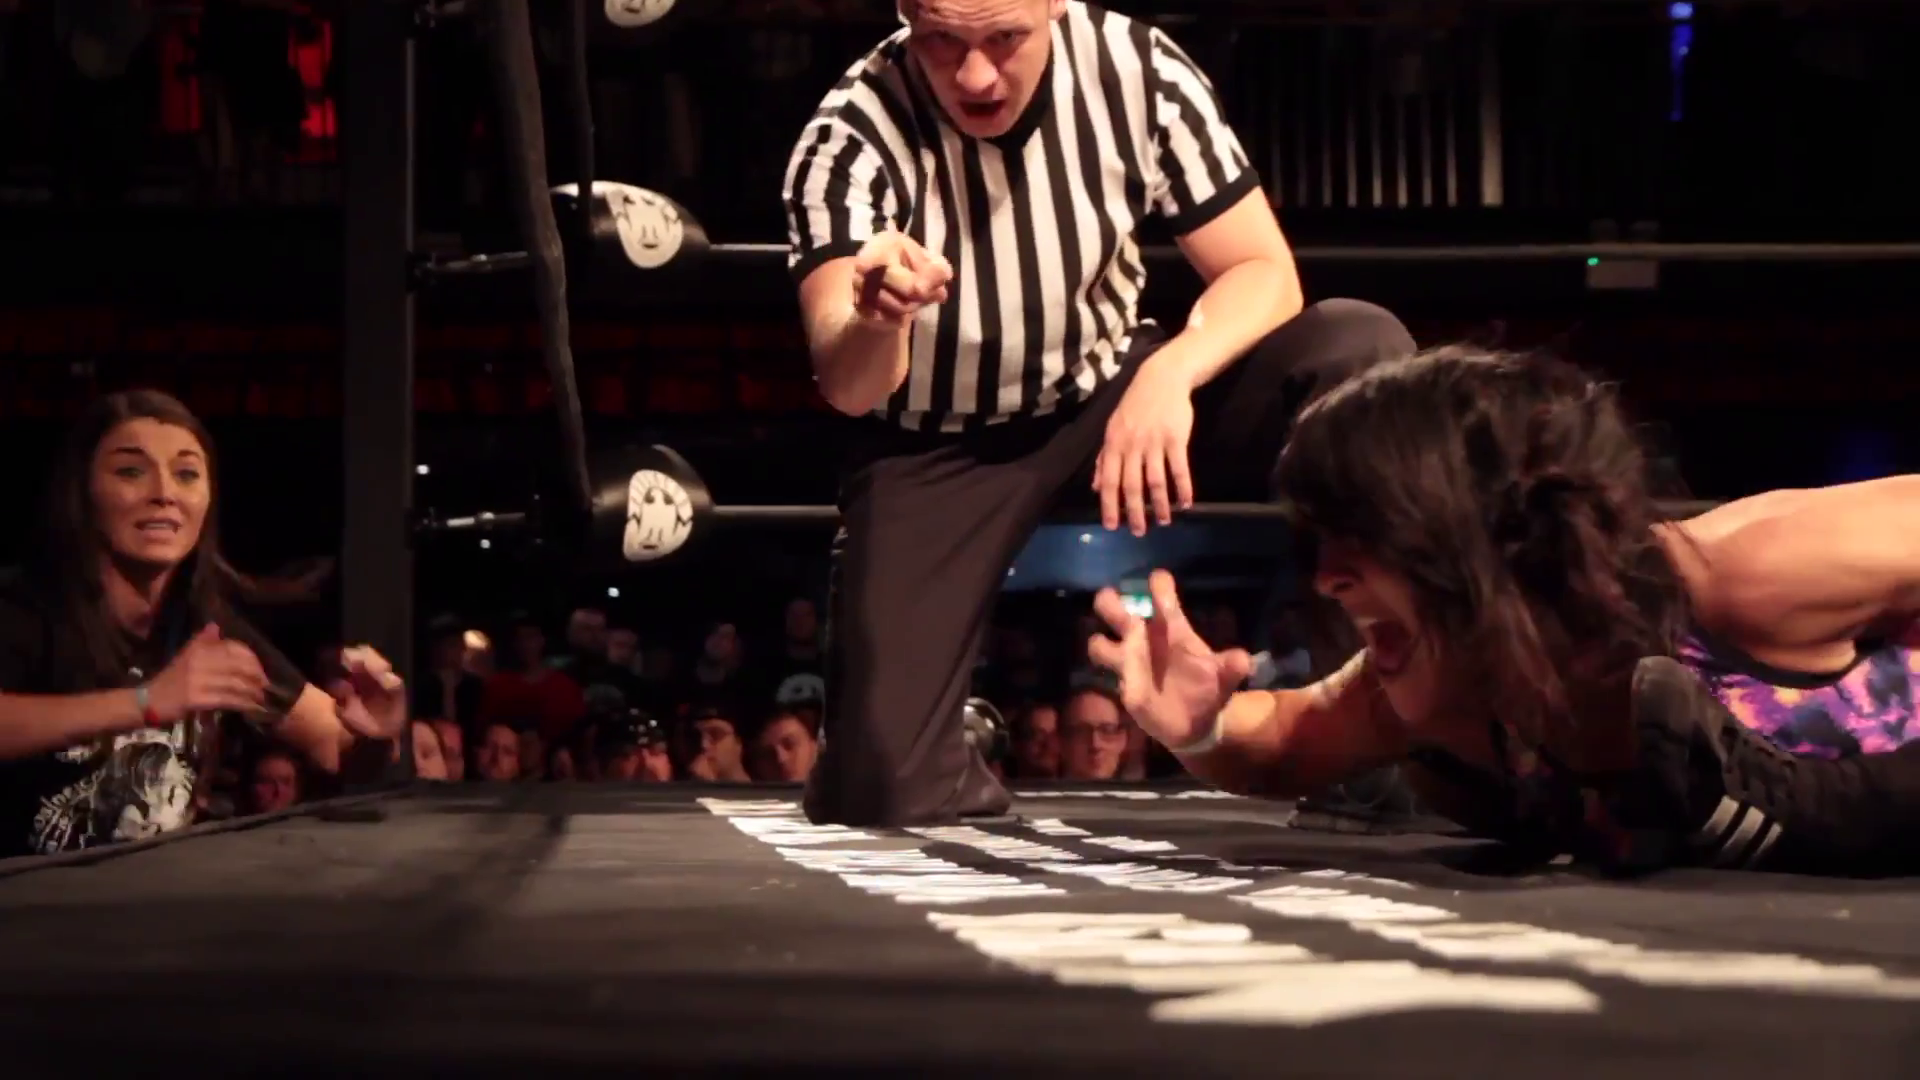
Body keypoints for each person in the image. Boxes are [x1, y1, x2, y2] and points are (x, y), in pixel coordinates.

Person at [782, 0, 1415, 827]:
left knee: (1354, 348)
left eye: (1004, 38)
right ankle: (934, 736)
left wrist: (1172, 372)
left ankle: (1362, 737)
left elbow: (1262, 269)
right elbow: (849, 387)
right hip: (939, 440)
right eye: (942, 41)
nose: (976, 75)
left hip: (1112, 382)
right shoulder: (849, 136)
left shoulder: (1138, 71)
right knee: (879, 789)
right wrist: (874, 316)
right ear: (905, 14)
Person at [1088, 346, 1920, 875]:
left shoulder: (1740, 578)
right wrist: (1197, 726)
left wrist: (1853, 801)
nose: (1329, 580)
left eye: (1359, 536)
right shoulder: (1454, 680)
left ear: (1473, 532)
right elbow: (1282, 740)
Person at [0, 390, 409, 858]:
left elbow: (337, 749)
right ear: (83, 493)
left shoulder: (205, 626)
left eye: (186, 474)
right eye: (130, 471)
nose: (164, 493)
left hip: (155, 897)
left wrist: (376, 735)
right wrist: (147, 702)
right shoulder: (26, 606)